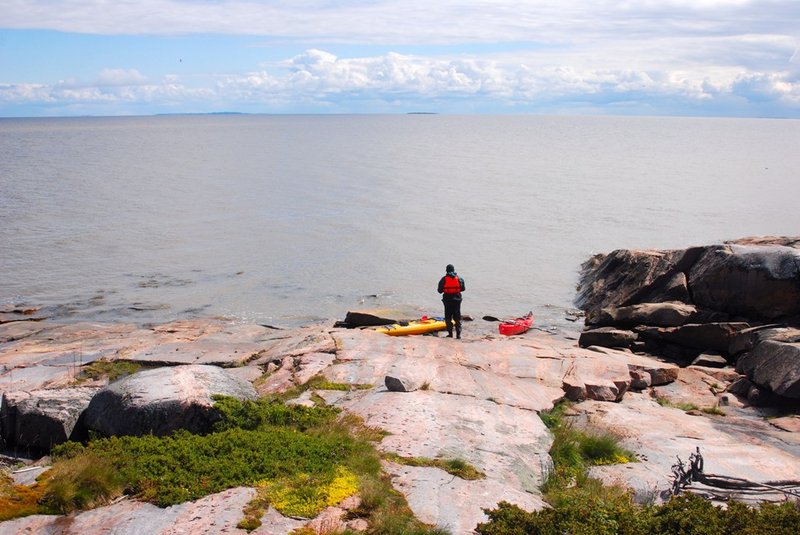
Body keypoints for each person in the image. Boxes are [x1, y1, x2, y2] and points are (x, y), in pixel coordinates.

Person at [437, 264, 465, 338]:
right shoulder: (459, 278)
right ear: (453, 270)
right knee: (457, 317)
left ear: (446, 270)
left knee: (448, 317)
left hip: (447, 299)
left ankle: (450, 334)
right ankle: (458, 335)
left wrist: (447, 289)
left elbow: (439, 290)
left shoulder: (443, 279)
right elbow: (463, 289)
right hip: (457, 299)